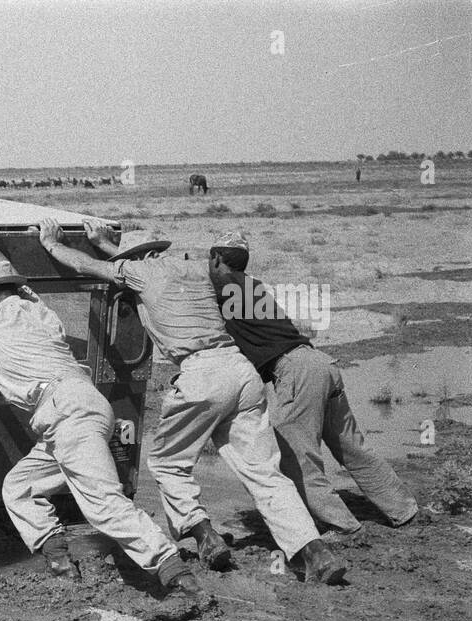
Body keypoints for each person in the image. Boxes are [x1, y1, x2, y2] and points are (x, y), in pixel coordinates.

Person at [36, 219, 348, 585]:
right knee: (265, 473)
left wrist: (52, 244)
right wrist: (107, 243)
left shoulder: (141, 272)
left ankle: (204, 535)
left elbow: (85, 266)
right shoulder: (196, 269)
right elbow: (134, 263)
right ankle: (314, 551)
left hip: (202, 373)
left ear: (135, 258)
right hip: (241, 373)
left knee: (167, 462)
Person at [0, 223, 204, 600]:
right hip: (77, 407)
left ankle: (172, 568)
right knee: (19, 488)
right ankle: (59, 560)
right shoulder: (40, 312)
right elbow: (22, 284)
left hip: (65, 413)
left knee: (103, 504)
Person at [209, 231, 418, 533]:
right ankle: (404, 510)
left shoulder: (225, 286)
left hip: (296, 371)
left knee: (296, 457)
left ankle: (343, 527)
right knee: (352, 449)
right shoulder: (253, 287)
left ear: (216, 258)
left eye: (209, 259)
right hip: (319, 363)